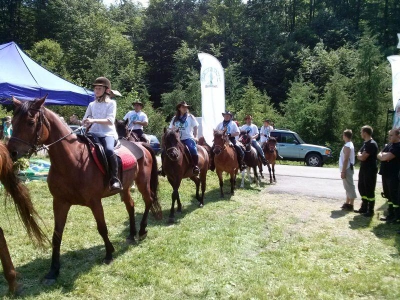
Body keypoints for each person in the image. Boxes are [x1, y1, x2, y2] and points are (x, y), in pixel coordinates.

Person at [83, 77, 122, 191]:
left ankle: (114, 179)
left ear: (106, 90)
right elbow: (85, 121)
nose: (96, 91)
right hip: (92, 134)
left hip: (107, 134)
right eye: (95, 88)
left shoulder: (112, 103)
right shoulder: (91, 104)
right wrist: (78, 121)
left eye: (99, 88)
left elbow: (110, 120)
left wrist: (93, 120)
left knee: (109, 150)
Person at [169, 101, 200, 175]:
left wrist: (195, 137)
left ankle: (195, 166)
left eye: (186, 107)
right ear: (179, 108)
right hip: (177, 139)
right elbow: (170, 128)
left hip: (187, 138)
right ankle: (164, 168)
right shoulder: (175, 118)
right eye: (183, 107)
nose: (185, 108)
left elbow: (196, 127)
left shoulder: (190, 117)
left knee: (192, 149)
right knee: (167, 150)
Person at [377, 128, 400, 224]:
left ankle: (397, 217)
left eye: (391, 135)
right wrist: (384, 156)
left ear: (398, 135)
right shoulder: (390, 145)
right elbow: (379, 155)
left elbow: (386, 157)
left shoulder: (398, 146)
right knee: (388, 196)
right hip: (385, 174)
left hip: (393, 175)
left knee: (394, 196)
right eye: (389, 135)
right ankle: (390, 214)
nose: (389, 137)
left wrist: (384, 156)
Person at [355, 125, 378, 217]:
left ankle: (370, 210)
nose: (361, 133)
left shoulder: (372, 144)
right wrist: (360, 155)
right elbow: (359, 154)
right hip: (363, 169)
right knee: (361, 187)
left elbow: (363, 157)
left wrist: (360, 155)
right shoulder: (365, 143)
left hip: (370, 170)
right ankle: (364, 207)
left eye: (361, 132)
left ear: (365, 133)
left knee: (369, 189)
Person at [339, 129, 357, 211]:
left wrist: (343, 171)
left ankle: (351, 204)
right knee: (347, 187)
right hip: (347, 168)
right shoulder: (349, 144)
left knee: (350, 186)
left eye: (343, 135)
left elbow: (346, 159)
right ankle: (347, 203)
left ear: (345, 136)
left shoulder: (348, 146)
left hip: (347, 168)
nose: (342, 136)